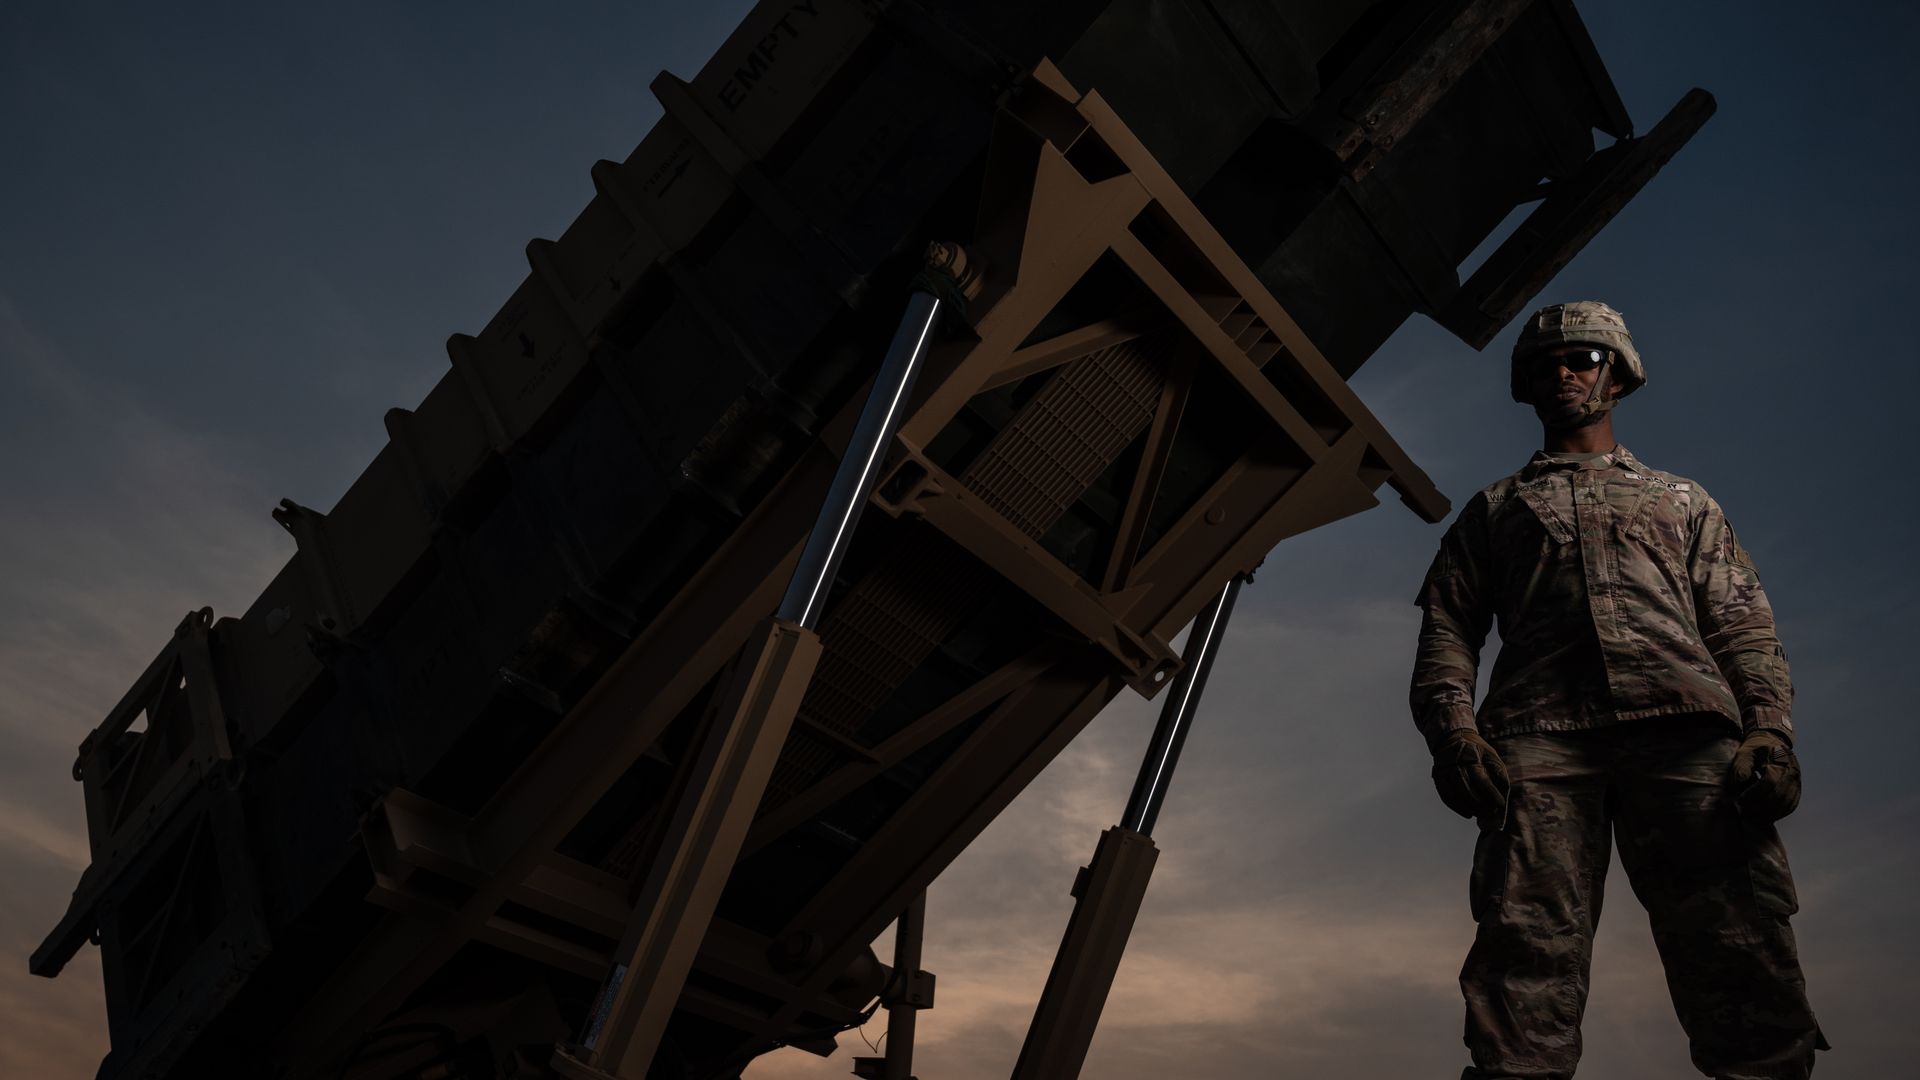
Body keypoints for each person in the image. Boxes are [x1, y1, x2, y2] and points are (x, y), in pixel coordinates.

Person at [1409, 301, 1826, 1079]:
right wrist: (1454, 731)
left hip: (1688, 737)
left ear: (1619, 375)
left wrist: (1770, 730)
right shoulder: (1496, 511)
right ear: (1526, 387)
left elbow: (1741, 622)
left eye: (1584, 360)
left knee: (1741, 946)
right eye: (1546, 366)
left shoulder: (1682, 501)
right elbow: (1447, 629)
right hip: (1538, 743)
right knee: (1524, 954)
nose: (1564, 375)